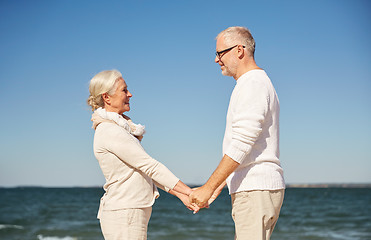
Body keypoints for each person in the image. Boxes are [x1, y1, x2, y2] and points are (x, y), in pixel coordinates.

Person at [190, 26, 285, 240]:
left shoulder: (252, 84)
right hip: (256, 188)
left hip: (255, 188)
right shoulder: (254, 83)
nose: (216, 60)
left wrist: (208, 187)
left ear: (239, 50)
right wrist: (219, 187)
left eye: (220, 53)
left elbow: (243, 143)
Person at [87, 70, 199, 240]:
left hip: (128, 213)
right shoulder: (110, 130)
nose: (130, 94)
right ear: (107, 98)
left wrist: (182, 195)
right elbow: (150, 166)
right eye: (124, 90)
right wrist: (189, 192)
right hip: (125, 214)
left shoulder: (119, 128)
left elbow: (144, 171)